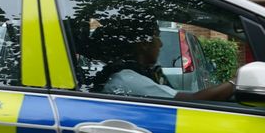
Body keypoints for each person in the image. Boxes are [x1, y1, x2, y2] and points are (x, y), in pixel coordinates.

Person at [94, 21, 235, 102]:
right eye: (157, 37)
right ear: (144, 44)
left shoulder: (137, 74)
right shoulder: (128, 79)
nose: (161, 44)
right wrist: (236, 82)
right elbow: (191, 101)